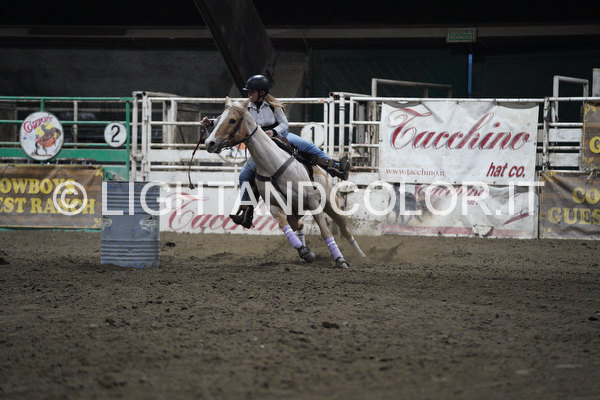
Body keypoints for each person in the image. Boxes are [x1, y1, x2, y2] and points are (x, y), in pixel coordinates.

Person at [201, 74, 350, 228]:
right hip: (261, 144)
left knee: (307, 146)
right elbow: (228, 120)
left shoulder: (273, 106)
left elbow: (284, 124)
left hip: (280, 136)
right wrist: (211, 122)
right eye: (248, 91)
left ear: (262, 93)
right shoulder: (246, 108)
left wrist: (273, 131)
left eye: (252, 91)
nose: (249, 94)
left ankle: (335, 167)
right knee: (245, 174)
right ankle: (246, 211)